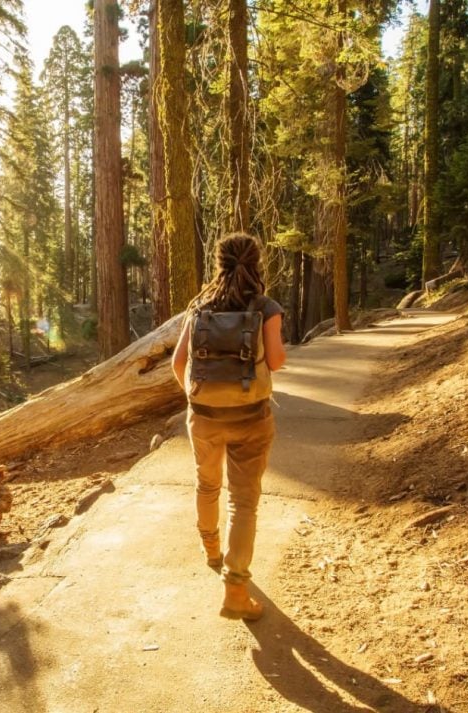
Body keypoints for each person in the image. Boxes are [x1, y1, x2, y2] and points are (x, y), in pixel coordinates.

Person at [171, 232, 286, 621]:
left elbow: (177, 363)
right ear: (256, 264)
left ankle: (211, 550)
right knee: (243, 502)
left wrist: (196, 398)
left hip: (202, 416)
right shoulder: (266, 307)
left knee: (207, 484)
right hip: (252, 416)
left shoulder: (199, 307)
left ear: (218, 264)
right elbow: (277, 360)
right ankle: (235, 589)